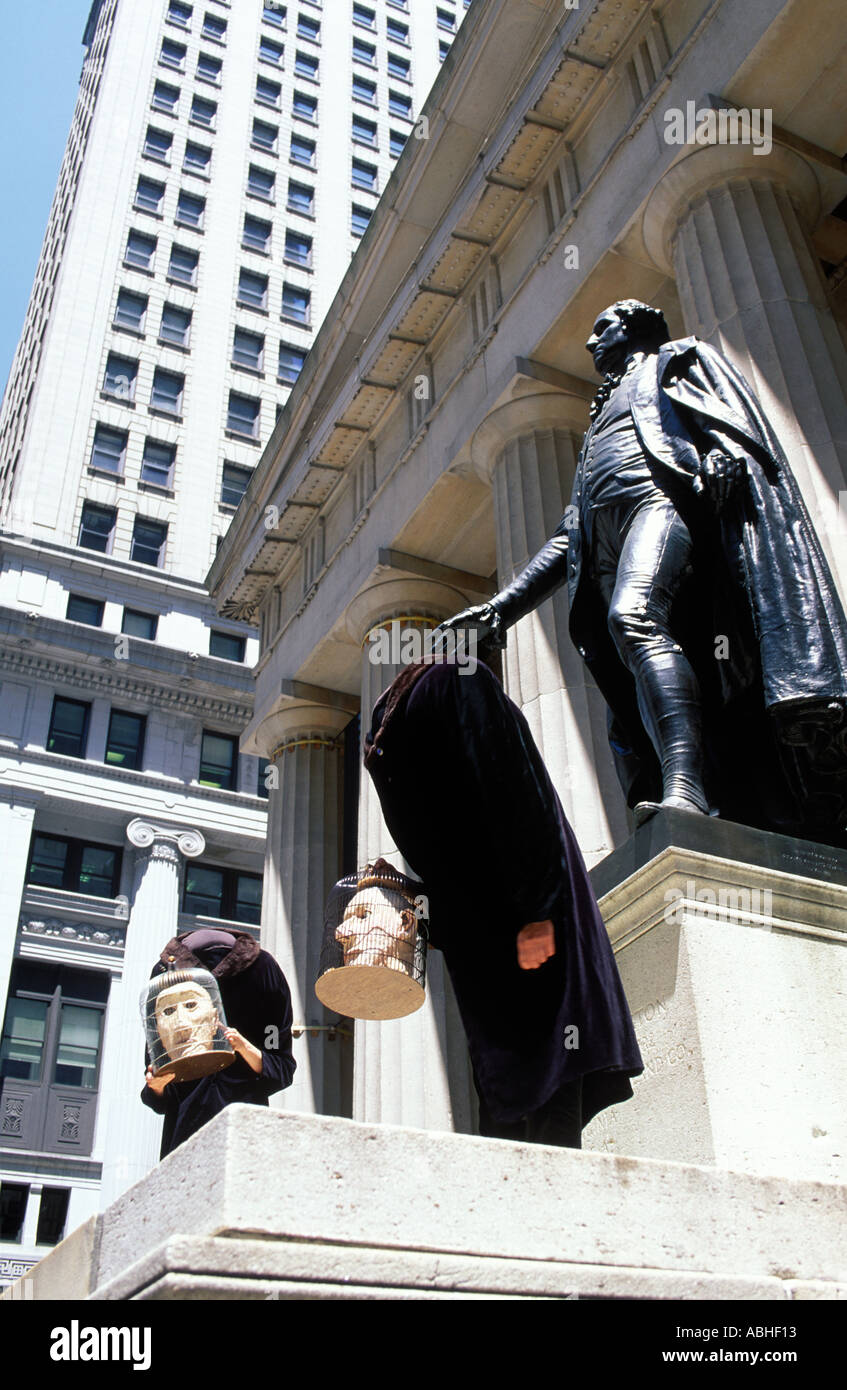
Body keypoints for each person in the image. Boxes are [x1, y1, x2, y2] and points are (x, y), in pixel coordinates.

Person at [443, 300, 847, 842]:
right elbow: (571, 535)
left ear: (636, 327)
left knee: (632, 615)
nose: (590, 343)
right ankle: (696, 787)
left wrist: (723, 451)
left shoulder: (677, 360)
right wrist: (501, 608)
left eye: (602, 327)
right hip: (607, 541)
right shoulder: (594, 427)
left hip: (660, 502)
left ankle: (687, 786)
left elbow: (735, 427)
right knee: (633, 647)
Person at [363, 657, 643, 1147]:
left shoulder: (450, 687)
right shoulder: (411, 724)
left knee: (550, 1082)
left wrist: (537, 914)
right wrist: (412, 899)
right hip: (494, 943)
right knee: (509, 1099)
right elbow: (455, 864)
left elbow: (517, 795)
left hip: (529, 927)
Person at [141, 927, 295, 1158]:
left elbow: (279, 1061)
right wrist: (157, 1087)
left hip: (245, 1136)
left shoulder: (263, 971)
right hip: (185, 1139)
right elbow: (158, 1065)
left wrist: (244, 1048)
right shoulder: (165, 974)